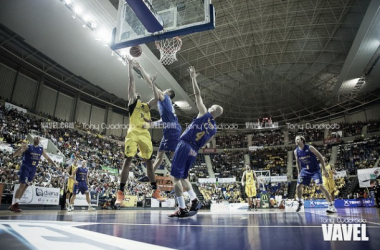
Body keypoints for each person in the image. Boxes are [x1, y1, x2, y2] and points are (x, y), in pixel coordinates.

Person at [169, 66, 223, 217]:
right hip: (194, 151)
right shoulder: (214, 129)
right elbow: (206, 144)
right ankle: (194, 200)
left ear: (211, 109)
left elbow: (197, 95)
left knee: (175, 179)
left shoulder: (204, 113)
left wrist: (193, 77)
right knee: (184, 177)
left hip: (185, 144)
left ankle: (181, 208)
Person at [116, 57, 165, 207]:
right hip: (133, 132)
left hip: (145, 135)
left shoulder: (146, 106)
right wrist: (130, 65)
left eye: (137, 94)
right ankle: (120, 192)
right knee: (128, 161)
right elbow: (131, 82)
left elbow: (157, 97)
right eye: (134, 94)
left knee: (149, 163)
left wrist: (153, 83)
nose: (136, 94)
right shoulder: (132, 103)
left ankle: (155, 191)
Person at [133, 62, 182, 183]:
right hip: (171, 128)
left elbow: (150, 83)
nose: (162, 90)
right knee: (160, 155)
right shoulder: (167, 104)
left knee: (171, 154)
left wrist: (141, 68)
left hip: (172, 129)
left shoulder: (164, 97)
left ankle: (180, 177)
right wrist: (151, 124)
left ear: (167, 93)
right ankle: (150, 176)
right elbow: (163, 121)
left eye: (164, 90)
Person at [9, 136, 59, 212]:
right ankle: (14, 204)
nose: (37, 139)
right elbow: (16, 154)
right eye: (36, 138)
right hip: (26, 166)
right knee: (22, 184)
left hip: (33, 168)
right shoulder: (28, 146)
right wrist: (20, 147)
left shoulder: (41, 149)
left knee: (26, 186)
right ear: (33, 139)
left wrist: (55, 164)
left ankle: (16, 203)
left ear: (40, 140)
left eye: (39, 138)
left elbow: (48, 158)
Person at [294, 136, 336, 213]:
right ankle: (300, 202)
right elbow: (297, 162)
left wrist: (323, 169)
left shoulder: (310, 148)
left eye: (297, 139)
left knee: (320, 186)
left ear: (302, 140)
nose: (296, 140)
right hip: (304, 170)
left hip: (314, 170)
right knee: (298, 186)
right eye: (295, 139)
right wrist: (299, 172)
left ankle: (331, 205)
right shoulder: (296, 151)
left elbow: (320, 157)